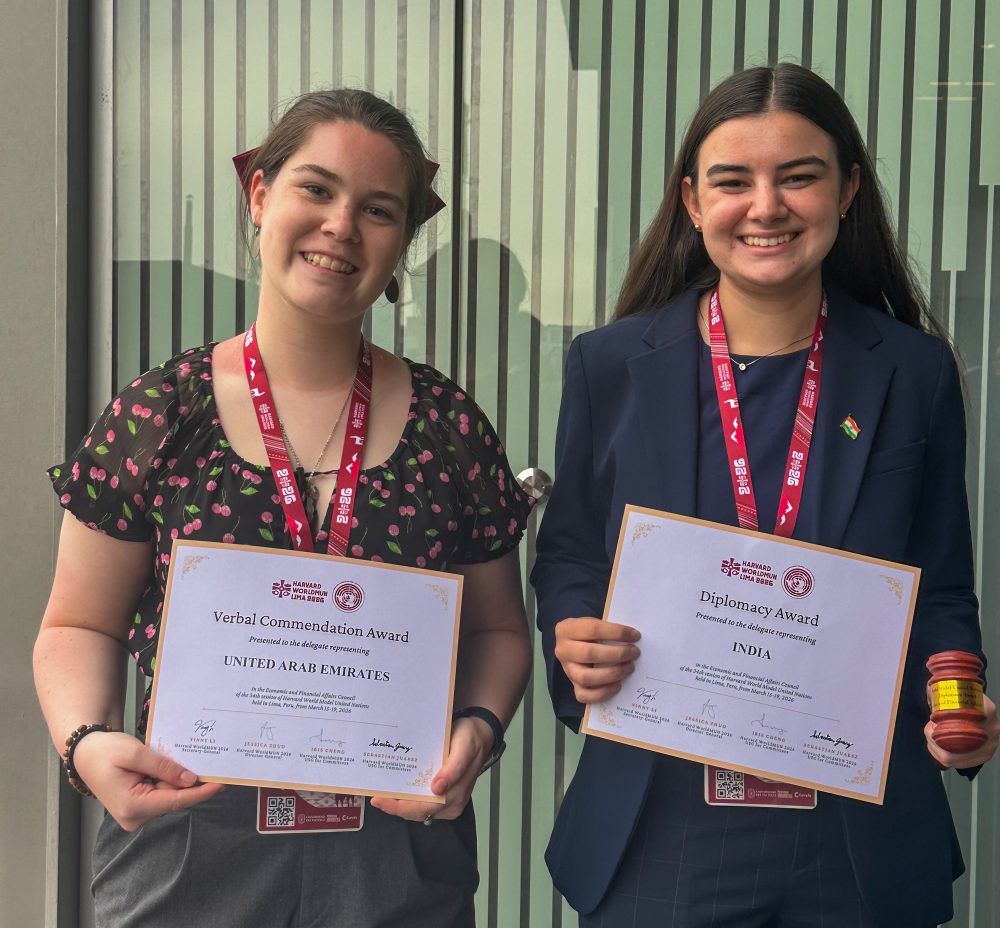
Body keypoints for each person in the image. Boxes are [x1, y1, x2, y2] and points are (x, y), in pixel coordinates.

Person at [35, 88, 534, 927]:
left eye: (378, 209)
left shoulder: (449, 428)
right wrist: (86, 743)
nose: (342, 225)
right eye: (316, 189)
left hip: (398, 854)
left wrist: (479, 732)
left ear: (402, 243)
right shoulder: (161, 412)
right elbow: (78, 624)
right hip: (190, 839)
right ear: (261, 195)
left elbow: (498, 632)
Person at [531, 63, 999, 928]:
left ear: (847, 190)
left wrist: (955, 702)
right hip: (660, 819)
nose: (766, 206)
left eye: (799, 177)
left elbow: (940, 587)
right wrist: (573, 632)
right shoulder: (610, 365)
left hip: (856, 827)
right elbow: (570, 554)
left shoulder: (915, 371)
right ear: (691, 200)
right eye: (732, 181)